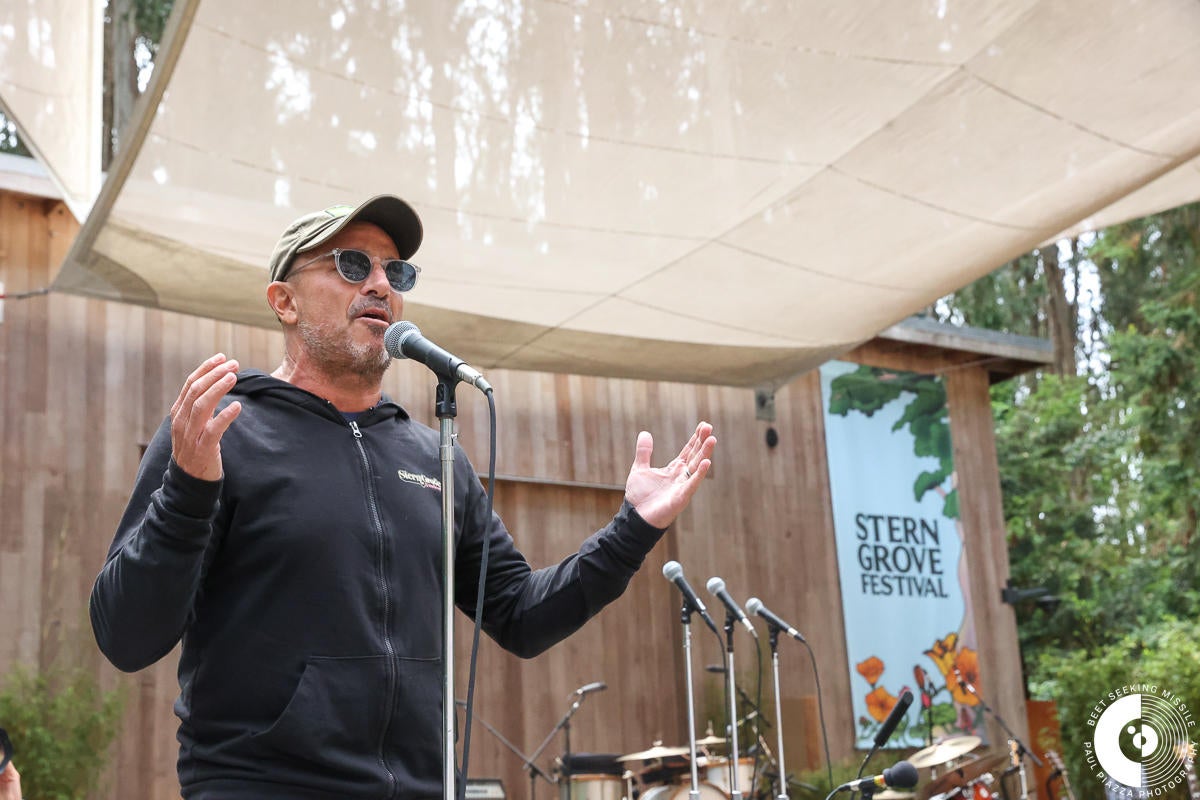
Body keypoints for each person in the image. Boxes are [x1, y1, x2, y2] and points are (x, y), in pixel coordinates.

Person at [90, 195, 717, 800]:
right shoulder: (221, 432)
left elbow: (522, 616)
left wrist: (632, 528)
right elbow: (126, 636)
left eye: (398, 271)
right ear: (283, 300)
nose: (381, 285)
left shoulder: (434, 456)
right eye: (352, 264)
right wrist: (188, 492)